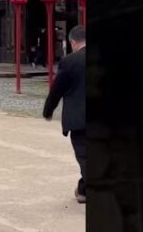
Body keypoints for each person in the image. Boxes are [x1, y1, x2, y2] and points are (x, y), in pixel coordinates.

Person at [43, 25, 87, 204]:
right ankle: (83, 191)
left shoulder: (70, 61)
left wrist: (48, 110)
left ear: (73, 42)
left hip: (79, 118)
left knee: (85, 156)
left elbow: (57, 90)